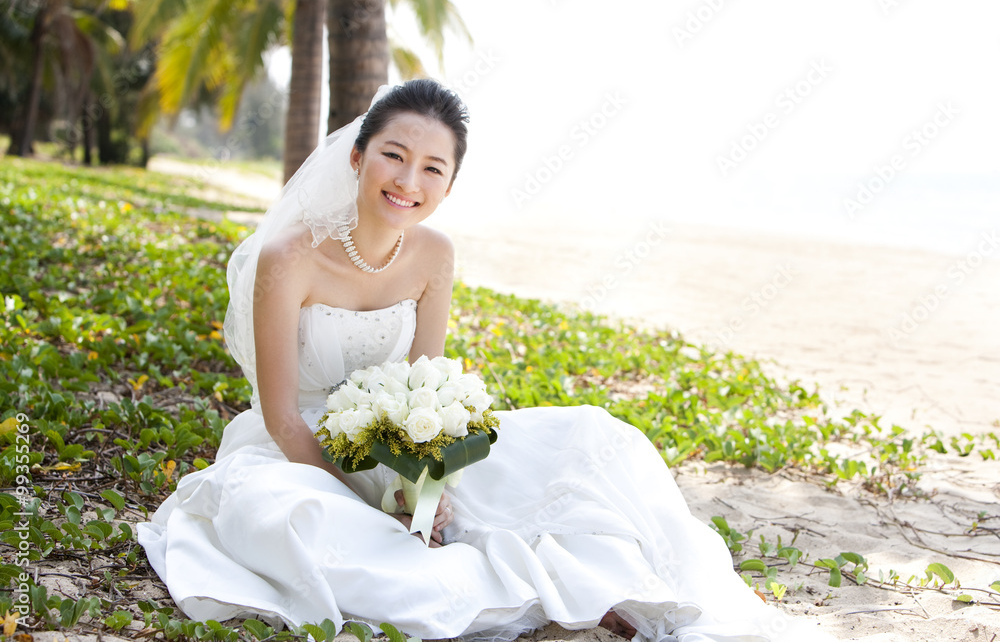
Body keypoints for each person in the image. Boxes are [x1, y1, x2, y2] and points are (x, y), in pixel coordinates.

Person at [139, 80, 831, 641]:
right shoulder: (287, 256)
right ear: (357, 157)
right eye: (393, 155)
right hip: (302, 448)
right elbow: (281, 413)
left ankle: (600, 591)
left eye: (432, 168)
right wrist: (379, 499)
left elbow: (424, 388)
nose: (409, 179)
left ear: (449, 183)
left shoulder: (434, 255)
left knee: (589, 438)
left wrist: (423, 485)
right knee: (311, 527)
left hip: (396, 436)